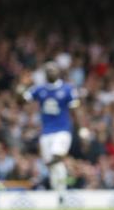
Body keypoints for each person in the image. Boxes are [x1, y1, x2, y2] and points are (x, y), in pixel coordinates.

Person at [23, 62, 79, 196]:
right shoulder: (39, 89)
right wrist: (23, 85)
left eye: (53, 70)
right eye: (48, 70)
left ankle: (62, 191)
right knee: (54, 166)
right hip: (46, 132)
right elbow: (23, 98)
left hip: (62, 130)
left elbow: (75, 110)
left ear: (58, 72)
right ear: (45, 74)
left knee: (56, 156)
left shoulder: (67, 89)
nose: (51, 72)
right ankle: (59, 194)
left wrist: (80, 129)